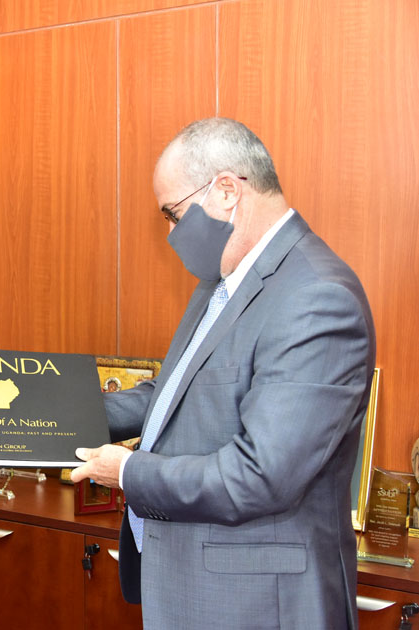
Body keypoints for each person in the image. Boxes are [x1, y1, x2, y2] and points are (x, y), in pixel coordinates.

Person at [72, 117, 375, 629]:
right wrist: (54, 416)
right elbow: (172, 394)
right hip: (193, 587)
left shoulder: (317, 298)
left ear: (227, 190)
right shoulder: (225, 277)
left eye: (172, 214)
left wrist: (126, 472)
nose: (169, 234)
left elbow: (260, 476)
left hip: (258, 604)